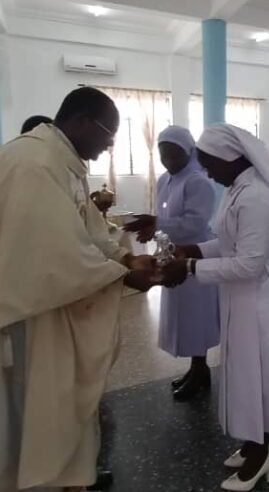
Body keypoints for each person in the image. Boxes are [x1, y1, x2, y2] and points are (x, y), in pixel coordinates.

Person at [0, 87, 158, 492]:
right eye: (108, 136)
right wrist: (122, 275)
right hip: (29, 313)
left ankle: (63, 476)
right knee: (31, 408)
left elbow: (88, 231)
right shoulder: (33, 163)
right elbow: (51, 256)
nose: (108, 148)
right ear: (83, 121)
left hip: (54, 307)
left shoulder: (63, 162)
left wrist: (124, 260)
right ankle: (31, 481)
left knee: (57, 403)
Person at [162, 123, 269, 492]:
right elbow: (229, 241)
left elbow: (249, 263)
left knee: (262, 374)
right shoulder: (238, 187)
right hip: (247, 294)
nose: (205, 170)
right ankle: (254, 440)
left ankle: (261, 455)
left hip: (264, 296)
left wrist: (189, 268)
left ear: (230, 157)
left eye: (208, 163)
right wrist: (195, 250)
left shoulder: (255, 196)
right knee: (247, 372)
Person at [125, 126, 220, 401]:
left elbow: (195, 223)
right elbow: (164, 217)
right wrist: (155, 230)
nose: (169, 162)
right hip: (172, 252)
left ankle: (200, 370)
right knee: (181, 314)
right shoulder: (165, 179)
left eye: (175, 156)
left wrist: (158, 224)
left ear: (189, 152)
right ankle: (196, 369)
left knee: (195, 315)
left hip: (194, 253)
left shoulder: (199, 181)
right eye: (164, 156)